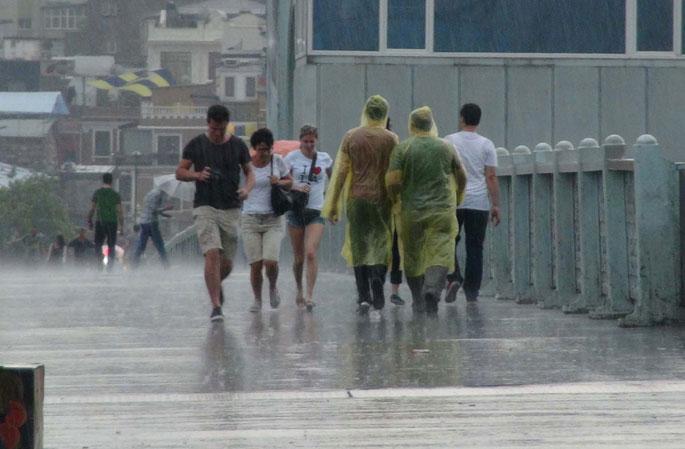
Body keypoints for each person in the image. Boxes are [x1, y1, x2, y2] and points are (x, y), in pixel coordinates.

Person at [176, 104, 255, 322]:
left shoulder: (238, 145)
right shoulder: (196, 144)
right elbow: (180, 172)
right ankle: (216, 306)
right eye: (213, 130)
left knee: (227, 263)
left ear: (227, 125)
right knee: (212, 252)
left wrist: (246, 190)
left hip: (230, 207)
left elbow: (250, 173)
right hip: (205, 206)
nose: (217, 134)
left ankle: (216, 283)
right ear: (208, 124)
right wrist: (198, 175)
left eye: (221, 129)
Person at [386, 106, 467, 314]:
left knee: (412, 255)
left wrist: (395, 198)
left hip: (411, 211)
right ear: (431, 124)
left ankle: (418, 297)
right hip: (442, 211)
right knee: (441, 251)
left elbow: (393, 180)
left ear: (411, 125)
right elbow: (461, 176)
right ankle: (432, 289)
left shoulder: (402, 149)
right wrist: (457, 198)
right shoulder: (446, 147)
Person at [323, 95, 398, 315]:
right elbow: (395, 173)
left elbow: (340, 173)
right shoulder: (391, 138)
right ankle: (377, 278)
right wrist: (398, 200)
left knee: (359, 245)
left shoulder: (351, 136)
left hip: (356, 198)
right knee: (381, 242)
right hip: (381, 199)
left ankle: (363, 294)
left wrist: (333, 203)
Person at [444, 103, 501, 303]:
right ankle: (471, 292)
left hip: (455, 201)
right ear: (478, 120)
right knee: (475, 247)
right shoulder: (487, 144)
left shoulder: (449, 141)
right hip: (479, 203)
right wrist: (496, 205)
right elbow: (491, 176)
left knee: (449, 241)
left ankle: (453, 278)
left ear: (461, 118)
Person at [240, 128, 293, 312]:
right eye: (260, 149)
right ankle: (257, 299)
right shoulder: (246, 165)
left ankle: (272, 286)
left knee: (270, 261)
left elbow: (290, 182)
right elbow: (238, 184)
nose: (263, 153)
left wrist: (278, 181)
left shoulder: (277, 161)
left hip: (273, 218)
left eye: (267, 149)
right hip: (250, 218)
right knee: (255, 263)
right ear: (254, 148)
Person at [284, 125, 333, 311]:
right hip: (296, 210)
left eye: (312, 141)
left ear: (316, 141)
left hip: (316, 210)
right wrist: (295, 186)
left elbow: (334, 182)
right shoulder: (291, 158)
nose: (309, 145)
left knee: (311, 252)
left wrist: (332, 206)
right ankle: (299, 288)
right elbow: (283, 181)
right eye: (305, 141)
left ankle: (310, 295)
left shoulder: (324, 158)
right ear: (300, 141)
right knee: (298, 258)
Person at [87, 172, 124, 270]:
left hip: (100, 222)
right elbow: (120, 211)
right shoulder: (116, 195)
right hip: (112, 222)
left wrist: (89, 220)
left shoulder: (97, 193)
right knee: (111, 244)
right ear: (111, 181)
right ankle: (110, 266)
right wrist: (122, 226)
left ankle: (99, 261)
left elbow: (92, 208)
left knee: (98, 244)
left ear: (102, 180)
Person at [132, 187, 172, 268]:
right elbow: (154, 210)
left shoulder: (151, 193)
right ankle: (166, 266)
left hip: (144, 222)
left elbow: (149, 209)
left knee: (141, 245)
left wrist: (164, 214)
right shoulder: (158, 194)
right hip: (151, 222)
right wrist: (166, 208)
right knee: (160, 245)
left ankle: (134, 265)